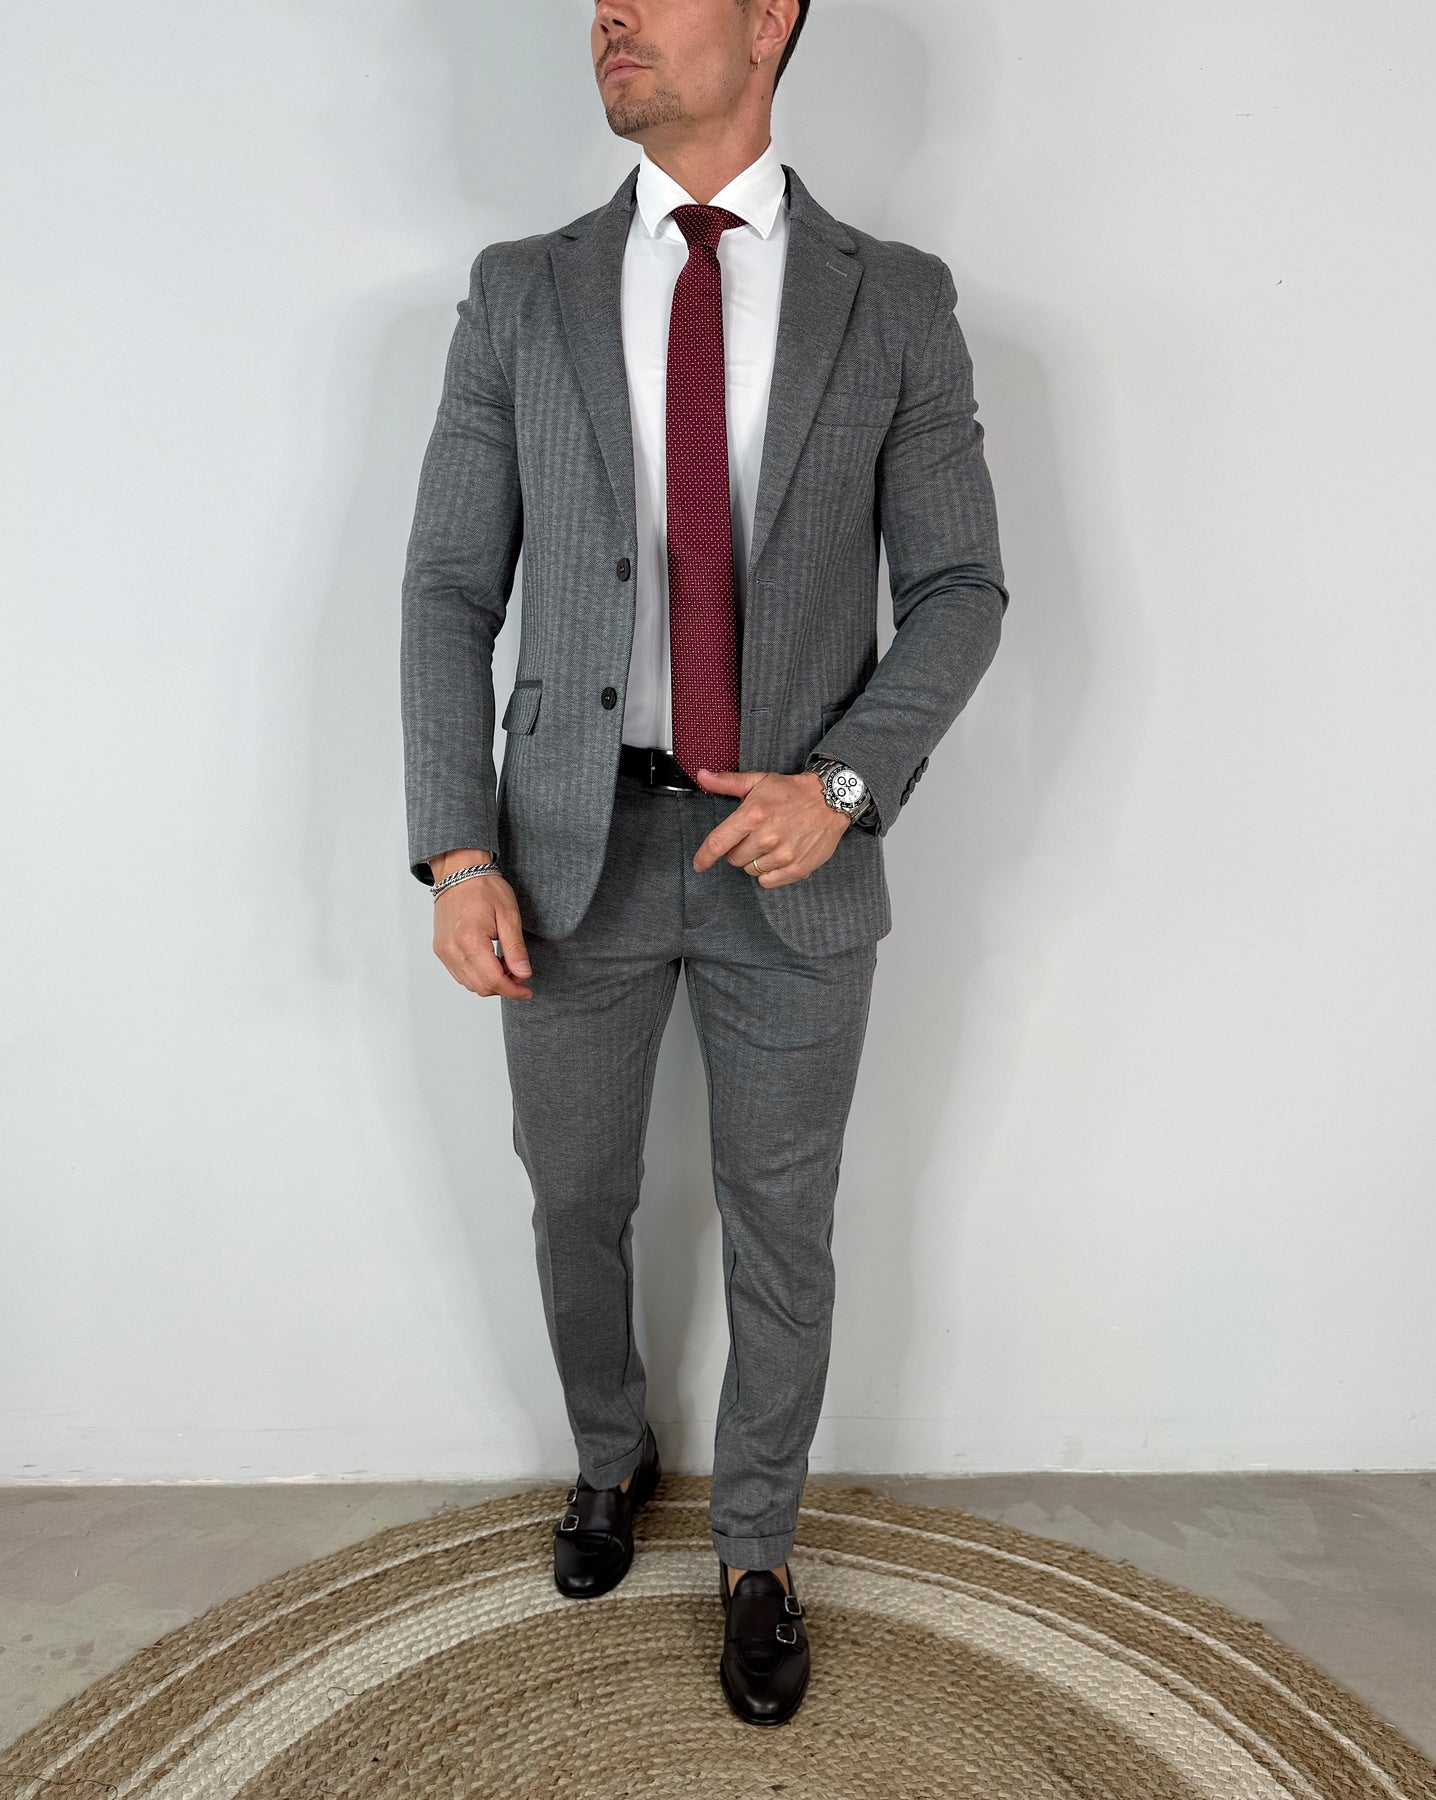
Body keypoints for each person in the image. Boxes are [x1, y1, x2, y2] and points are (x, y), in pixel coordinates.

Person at [400, 0, 1007, 1727]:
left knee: (781, 1220)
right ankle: (610, 1454)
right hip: (564, 850)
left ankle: (758, 1549)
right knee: (575, 1196)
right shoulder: (521, 291)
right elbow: (449, 586)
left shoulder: (896, 301)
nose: (608, 14)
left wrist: (846, 786)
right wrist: (457, 847)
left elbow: (958, 589)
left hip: (789, 852)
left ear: (768, 20)